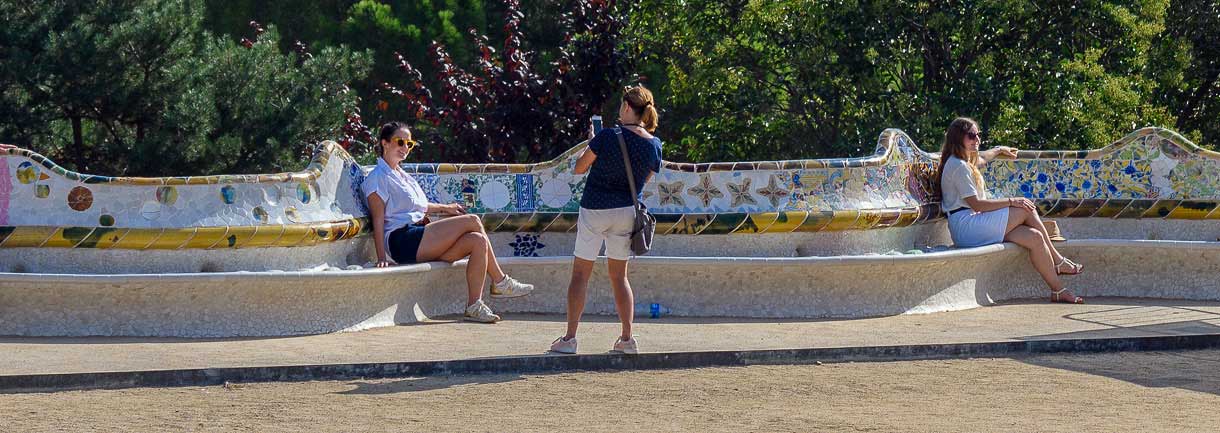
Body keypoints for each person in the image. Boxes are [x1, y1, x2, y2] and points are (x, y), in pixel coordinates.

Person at [363, 121, 534, 323]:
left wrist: (446, 207)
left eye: (409, 144)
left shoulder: (402, 176)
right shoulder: (377, 178)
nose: (405, 148)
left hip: (420, 236)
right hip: (402, 241)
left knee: (477, 241)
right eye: (400, 142)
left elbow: (419, 206)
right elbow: (378, 218)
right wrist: (382, 256)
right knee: (472, 220)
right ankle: (500, 281)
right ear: (385, 143)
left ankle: (474, 306)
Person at [550, 85, 663, 354]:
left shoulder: (607, 136)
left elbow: (580, 167)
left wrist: (593, 140)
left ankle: (570, 339)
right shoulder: (654, 145)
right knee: (619, 277)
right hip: (626, 211)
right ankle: (626, 339)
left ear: (626, 107)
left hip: (595, 208)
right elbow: (644, 179)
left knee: (580, 274)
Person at [937, 117, 1084, 303]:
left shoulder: (966, 161)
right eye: (971, 136)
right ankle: (1058, 259)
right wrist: (1011, 201)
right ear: (958, 138)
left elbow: (983, 158)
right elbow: (977, 205)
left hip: (975, 222)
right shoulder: (958, 166)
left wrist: (999, 150)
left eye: (978, 135)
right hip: (966, 226)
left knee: (1035, 238)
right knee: (1024, 208)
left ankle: (1058, 290)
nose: (977, 140)